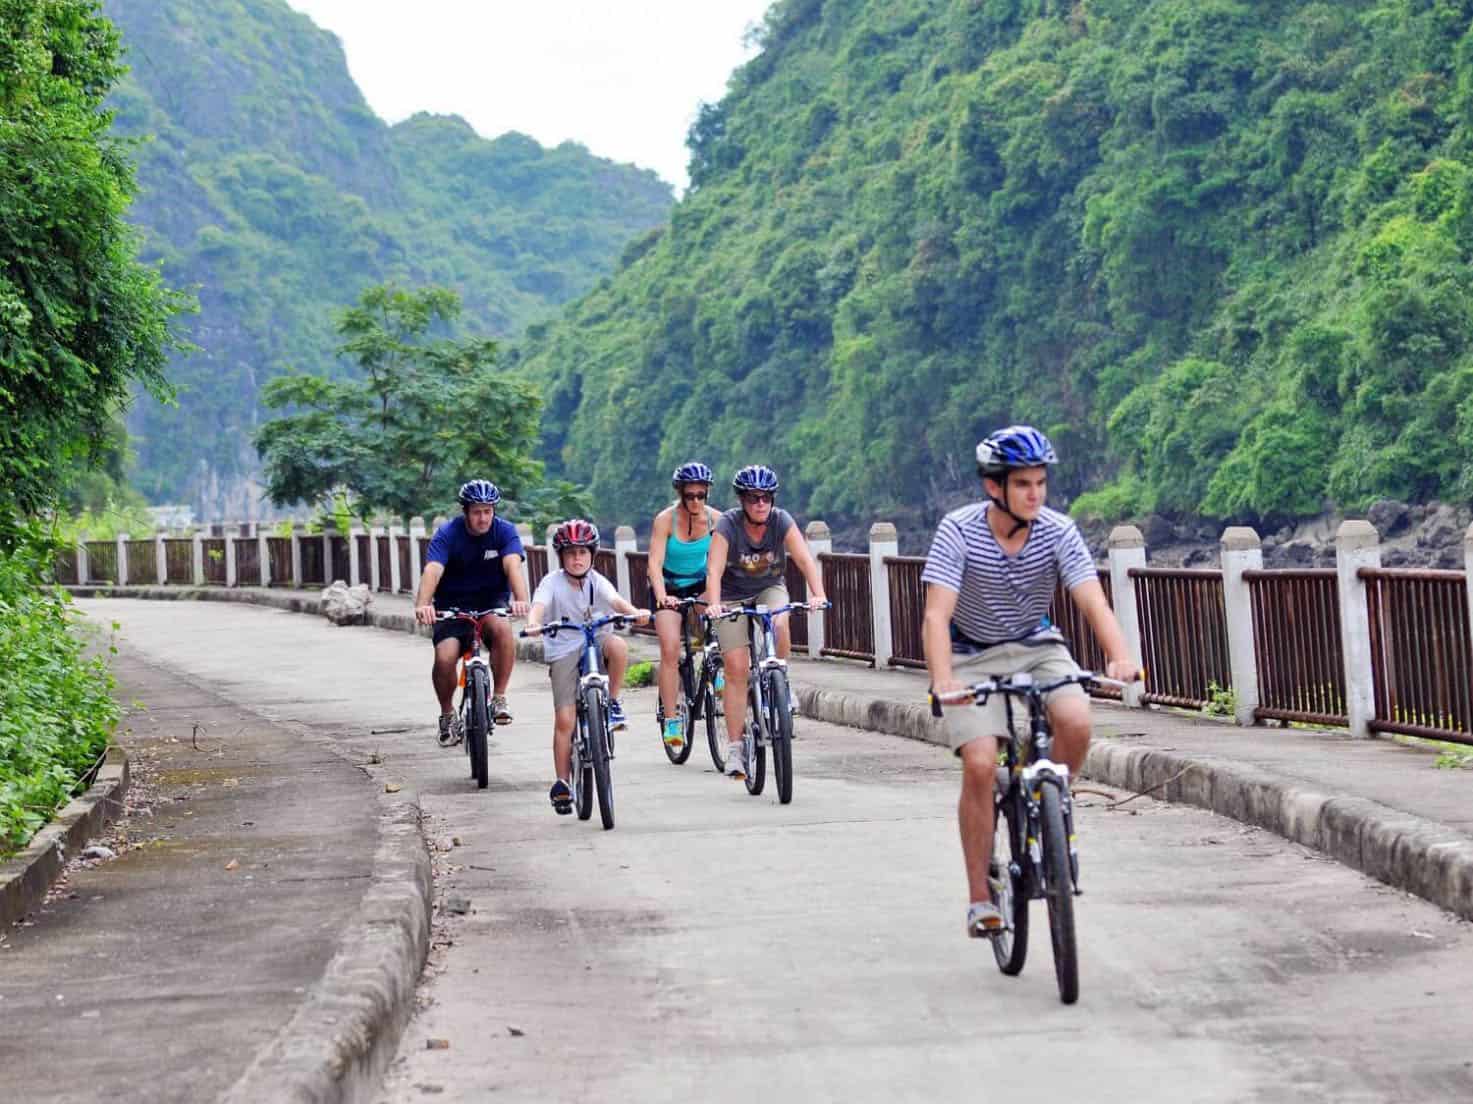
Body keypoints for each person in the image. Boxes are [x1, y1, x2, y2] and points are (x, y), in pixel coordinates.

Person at [921, 425, 1138, 940]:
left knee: (1076, 722)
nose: (1035, 494)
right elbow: (936, 616)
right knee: (980, 764)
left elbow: (1092, 600)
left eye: (1040, 482)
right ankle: (980, 898)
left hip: (1038, 645)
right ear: (993, 486)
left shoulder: (1058, 531)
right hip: (970, 652)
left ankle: (1051, 804)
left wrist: (1120, 657)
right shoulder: (959, 530)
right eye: (1023, 484)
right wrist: (943, 679)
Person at [705, 465, 827, 780]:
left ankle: (780, 679)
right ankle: (735, 749)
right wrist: (714, 603)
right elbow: (714, 569)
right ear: (742, 500)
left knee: (780, 622)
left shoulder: (781, 520)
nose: (760, 504)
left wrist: (818, 594)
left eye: (766, 498)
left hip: (768, 587)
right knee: (736, 668)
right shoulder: (728, 524)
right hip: (731, 596)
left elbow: (804, 559)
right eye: (753, 498)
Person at [525, 519, 650, 815]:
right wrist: (533, 623)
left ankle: (613, 702)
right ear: (561, 557)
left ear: (592, 554)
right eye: (570, 553)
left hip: (597, 639)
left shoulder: (597, 580)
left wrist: (635, 613)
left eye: (582, 552)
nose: (577, 558)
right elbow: (538, 607)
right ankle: (563, 784)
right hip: (564, 647)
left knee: (618, 646)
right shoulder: (551, 582)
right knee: (565, 719)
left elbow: (615, 601)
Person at [413, 479, 530, 746]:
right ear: (465, 511)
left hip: (491, 602)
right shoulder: (448, 533)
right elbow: (433, 570)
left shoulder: (505, 531)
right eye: (477, 512)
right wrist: (423, 604)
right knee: (445, 657)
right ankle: (447, 714)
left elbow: (513, 565)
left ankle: (499, 697)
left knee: (503, 630)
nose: (483, 518)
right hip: (452, 606)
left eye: (488, 511)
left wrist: (522, 600)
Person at [646, 461, 719, 754]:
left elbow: (722, 562)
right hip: (669, 586)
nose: (696, 501)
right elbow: (654, 563)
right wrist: (662, 596)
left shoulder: (717, 520)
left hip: (700, 584)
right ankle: (672, 719)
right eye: (690, 496)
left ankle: (715, 658)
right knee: (670, 650)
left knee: (721, 618)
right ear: (680, 494)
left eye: (701, 495)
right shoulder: (665, 520)